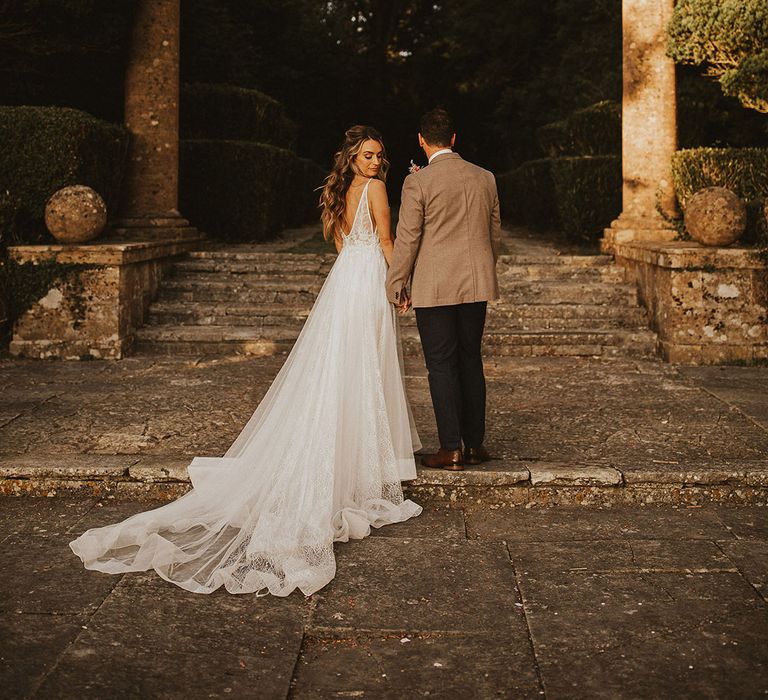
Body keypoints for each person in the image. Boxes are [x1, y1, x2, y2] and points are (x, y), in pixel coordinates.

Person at [70, 125, 422, 597]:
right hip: (366, 283)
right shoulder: (377, 190)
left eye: (380, 155)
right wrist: (398, 283)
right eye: (368, 156)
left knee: (341, 368)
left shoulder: (340, 192)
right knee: (366, 367)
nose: (376, 163)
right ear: (352, 157)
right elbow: (384, 241)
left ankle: (353, 455)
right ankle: (366, 464)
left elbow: (340, 245)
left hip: (342, 282)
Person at [387, 108, 501, 471]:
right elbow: (494, 234)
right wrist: (484, 269)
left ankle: (450, 447)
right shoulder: (485, 177)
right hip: (476, 282)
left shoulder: (418, 182)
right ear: (454, 138)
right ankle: (474, 445)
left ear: (422, 141)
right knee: (470, 358)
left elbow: (408, 238)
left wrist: (396, 282)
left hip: (434, 285)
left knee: (440, 365)